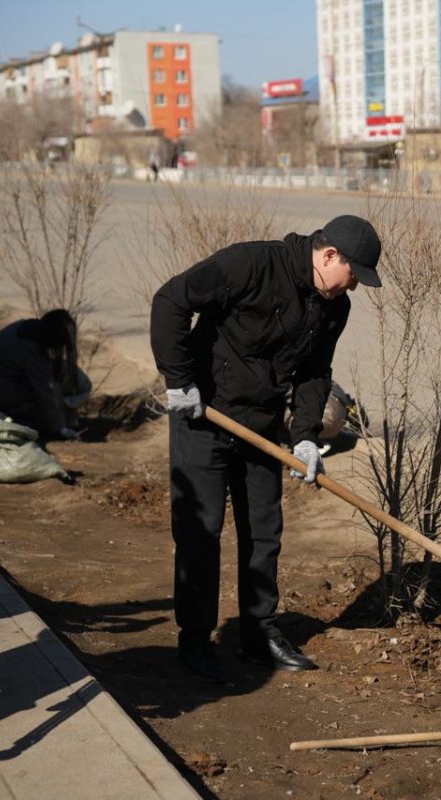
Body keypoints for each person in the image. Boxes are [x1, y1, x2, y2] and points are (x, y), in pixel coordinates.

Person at [150, 214, 382, 683]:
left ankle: (258, 633)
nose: (352, 287)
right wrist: (179, 380)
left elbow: (315, 372)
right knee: (201, 531)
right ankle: (195, 639)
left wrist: (306, 436)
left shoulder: (333, 306)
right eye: (353, 275)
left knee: (263, 531)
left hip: (261, 425)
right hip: (205, 415)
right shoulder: (250, 264)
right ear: (329, 255)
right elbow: (171, 300)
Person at [0, 310, 85, 441]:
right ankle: (20, 425)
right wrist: (59, 429)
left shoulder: (26, 328)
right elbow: (45, 390)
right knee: (40, 401)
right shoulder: (30, 346)